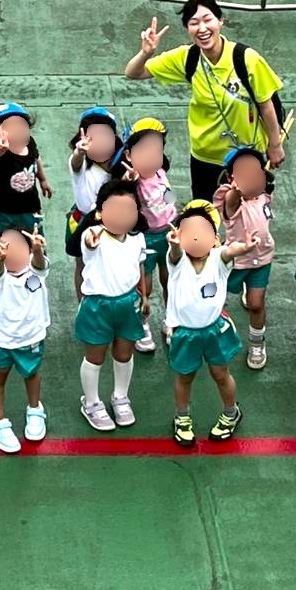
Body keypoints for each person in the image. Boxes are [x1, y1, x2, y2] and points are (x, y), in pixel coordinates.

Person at [124, 0, 285, 201]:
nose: (202, 28)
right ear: (187, 28)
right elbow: (133, 72)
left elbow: (266, 105)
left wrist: (274, 145)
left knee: (249, 215)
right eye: (194, 23)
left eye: (208, 19)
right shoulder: (187, 58)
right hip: (204, 157)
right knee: (205, 215)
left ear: (220, 20)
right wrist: (146, 52)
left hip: (246, 155)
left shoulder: (246, 59)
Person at [165, 201, 260, 447]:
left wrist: (245, 247)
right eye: (189, 231)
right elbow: (174, 254)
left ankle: (231, 412)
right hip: (185, 333)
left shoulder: (219, 258)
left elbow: (231, 251)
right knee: (184, 377)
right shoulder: (177, 262)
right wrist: (174, 246)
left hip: (214, 330)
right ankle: (182, 417)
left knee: (220, 374)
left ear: (215, 238)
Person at [75, 180, 148, 432]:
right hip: (98, 305)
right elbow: (89, 243)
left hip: (128, 303)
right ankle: (91, 403)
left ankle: (120, 397)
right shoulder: (93, 235)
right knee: (95, 357)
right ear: (100, 212)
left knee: (124, 354)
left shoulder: (138, 239)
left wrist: (144, 297)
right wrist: (91, 240)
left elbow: (139, 267)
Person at [0, 226, 50, 454]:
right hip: (0, 339)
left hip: (30, 337)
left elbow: (40, 263)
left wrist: (38, 250)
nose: (13, 252)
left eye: (19, 246)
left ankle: (35, 410)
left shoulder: (36, 268)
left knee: (31, 374)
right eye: (5, 247)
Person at [213, 147, 276, 370]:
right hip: (235, 261)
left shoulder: (264, 195)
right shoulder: (229, 198)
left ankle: (257, 343)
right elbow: (232, 201)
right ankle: (212, 333)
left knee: (256, 304)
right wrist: (236, 190)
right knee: (216, 300)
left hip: (261, 259)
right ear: (231, 177)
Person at [121, 117, 175, 354]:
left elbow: (169, 198)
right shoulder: (134, 180)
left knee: (170, 279)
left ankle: (171, 319)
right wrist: (129, 180)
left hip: (169, 234)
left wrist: (175, 215)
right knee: (145, 285)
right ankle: (142, 325)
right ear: (129, 155)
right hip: (145, 238)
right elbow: (125, 189)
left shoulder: (160, 173)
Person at [65, 107, 124, 300]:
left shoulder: (121, 165)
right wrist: (79, 152)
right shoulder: (81, 164)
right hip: (84, 221)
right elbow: (75, 162)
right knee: (82, 264)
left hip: (113, 222)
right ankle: (82, 304)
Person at [0, 102, 51, 236]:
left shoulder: (30, 143)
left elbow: (36, 159)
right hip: (4, 211)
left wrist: (43, 180)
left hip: (30, 207)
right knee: (3, 242)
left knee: (34, 239)